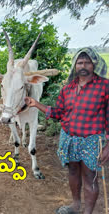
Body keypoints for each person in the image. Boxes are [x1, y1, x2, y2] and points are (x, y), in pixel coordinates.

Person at [25, 48, 109, 214]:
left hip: (92, 140)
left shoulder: (105, 87)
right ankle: (75, 205)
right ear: (75, 65)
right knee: (72, 171)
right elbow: (59, 113)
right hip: (69, 138)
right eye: (80, 62)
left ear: (94, 65)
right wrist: (36, 103)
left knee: (90, 176)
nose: (83, 66)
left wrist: (108, 146)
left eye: (87, 62)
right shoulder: (67, 89)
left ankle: (88, 212)